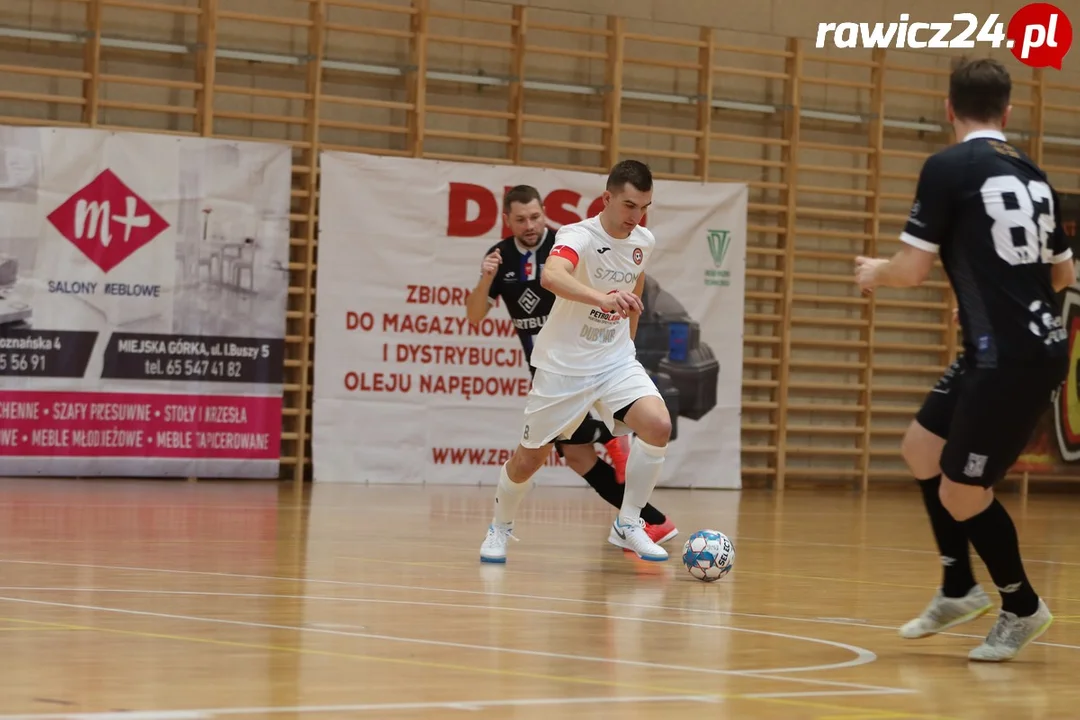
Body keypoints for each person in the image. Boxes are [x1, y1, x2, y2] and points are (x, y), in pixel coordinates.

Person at [854, 57, 1074, 662]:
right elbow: (1062, 273)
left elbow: (914, 268)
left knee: (961, 491)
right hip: (1012, 344)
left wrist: (877, 271)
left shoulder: (947, 167)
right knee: (921, 448)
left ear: (948, 108)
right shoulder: (1033, 174)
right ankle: (957, 586)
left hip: (1012, 360)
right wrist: (996, 304)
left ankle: (1021, 605)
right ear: (1007, 112)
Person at [479, 160, 674, 564]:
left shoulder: (644, 240)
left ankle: (629, 523)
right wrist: (602, 298)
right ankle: (500, 526)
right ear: (607, 198)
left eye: (645, 207)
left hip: (615, 360)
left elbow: (635, 282)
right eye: (629, 205)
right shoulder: (577, 235)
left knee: (658, 425)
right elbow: (552, 276)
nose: (636, 217)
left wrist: (628, 342)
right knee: (528, 458)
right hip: (563, 367)